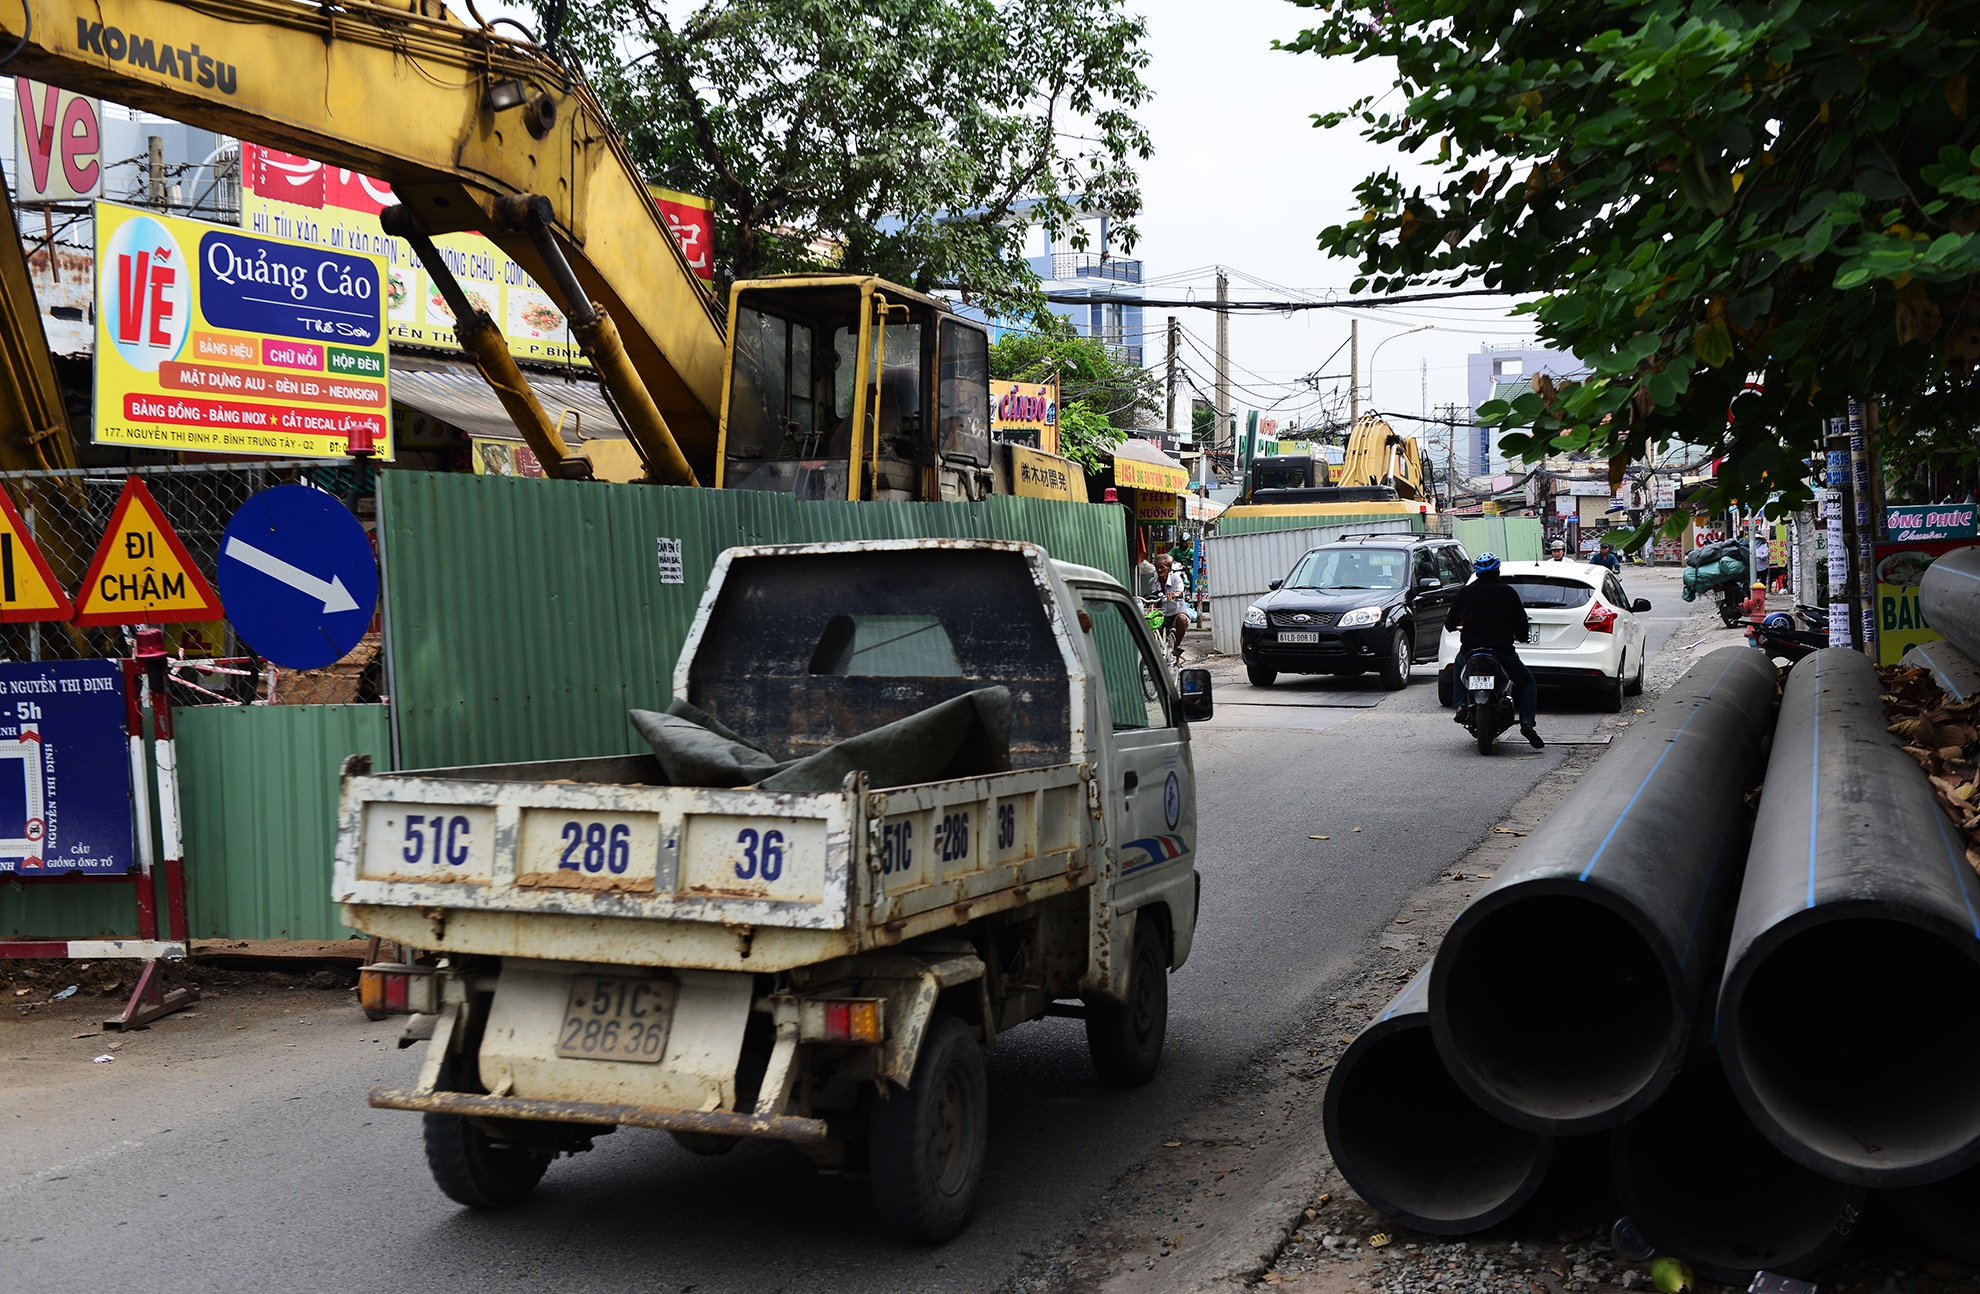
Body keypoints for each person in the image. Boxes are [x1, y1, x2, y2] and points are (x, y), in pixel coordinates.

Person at [1445, 553, 1543, 749]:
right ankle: (1527, 723)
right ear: (1498, 571)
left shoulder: (1465, 593)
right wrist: (1522, 636)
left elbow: (1449, 623)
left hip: (1470, 652)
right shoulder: (1508, 593)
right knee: (1528, 682)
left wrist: (1457, 626)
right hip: (1502, 653)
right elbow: (1521, 623)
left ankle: (1460, 706)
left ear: (1476, 573)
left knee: (1458, 665)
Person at [1151, 551, 1188, 664]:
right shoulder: (1153, 582)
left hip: (1176, 612)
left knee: (1182, 620)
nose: (1159, 570)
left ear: (1169, 568)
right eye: (1157, 567)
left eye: (1162, 567)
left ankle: (1176, 646)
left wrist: (1175, 594)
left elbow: (1180, 591)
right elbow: (1153, 597)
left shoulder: (1176, 578)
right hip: (1162, 613)